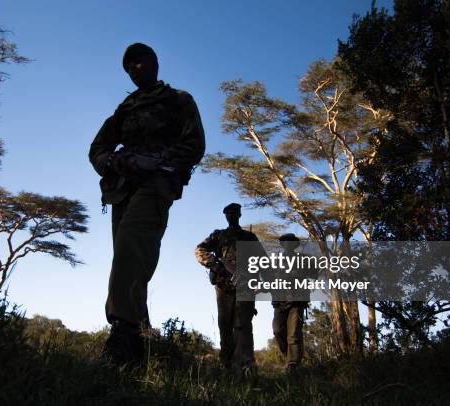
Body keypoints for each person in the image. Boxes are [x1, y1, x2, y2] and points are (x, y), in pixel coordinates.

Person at [89, 43, 205, 364]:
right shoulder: (124, 110)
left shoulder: (177, 100)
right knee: (129, 258)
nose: (134, 68)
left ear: (154, 62)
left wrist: (158, 161)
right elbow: (97, 147)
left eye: (139, 61)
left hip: (156, 184)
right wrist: (111, 161)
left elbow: (194, 144)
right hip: (122, 188)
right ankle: (143, 340)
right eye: (128, 66)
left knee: (130, 247)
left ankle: (123, 335)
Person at [195, 203, 259, 376]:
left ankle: (245, 365)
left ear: (239, 214)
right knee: (225, 325)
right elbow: (199, 250)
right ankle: (227, 365)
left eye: (235, 212)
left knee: (243, 325)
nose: (231, 215)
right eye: (228, 212)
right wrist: (217, 265)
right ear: (225, 215)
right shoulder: (218, 235)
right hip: (224, 285)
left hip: (245, 285)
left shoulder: (249, 237)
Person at [271, 233, 314, 373]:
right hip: (279, 301)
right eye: (285, 242)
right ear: (282, 245)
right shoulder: (275, 261)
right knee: (277, 331)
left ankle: (293, 364)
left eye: (290, 242)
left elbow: (314, 274)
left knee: (294, 333)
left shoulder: (303, 259)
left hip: (297, 301)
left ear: (294, 245)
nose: (287, 244)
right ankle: (288, 356)